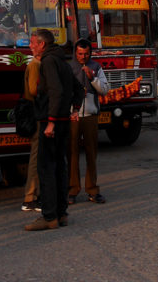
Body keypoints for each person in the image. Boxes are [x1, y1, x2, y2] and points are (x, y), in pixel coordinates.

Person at [26, 29, 75, 231]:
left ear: (42, 44)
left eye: (33, 43)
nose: (30, 46)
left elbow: (55, 90)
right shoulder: (62, 60)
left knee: (46, 169)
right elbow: (76, 86)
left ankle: (49, 216)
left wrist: (51, 121)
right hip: (63, 119)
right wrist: (75, 109)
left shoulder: (47, 62)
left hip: (51, 121)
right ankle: (61, 213)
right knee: (60, 168)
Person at [67, 39, 110, 204]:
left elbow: (105, 90)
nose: (82, 57)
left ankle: (92, 189)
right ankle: (72, 190)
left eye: (86, 54)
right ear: (75, 53)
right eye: (79, 54)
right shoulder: (69, 68)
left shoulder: (96, 67)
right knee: (72, 154)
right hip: (73, 115)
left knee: (92, 154)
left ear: (90, 53)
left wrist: (92, 78)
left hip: (91, 115)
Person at [21, 32, 44, 212]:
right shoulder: (35, 65)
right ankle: (30, 196)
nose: (30, 46)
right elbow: (33, 90)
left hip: (36, 112)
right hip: (36, 113)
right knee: (36, 157)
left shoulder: (38, 63)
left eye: (32, 43)